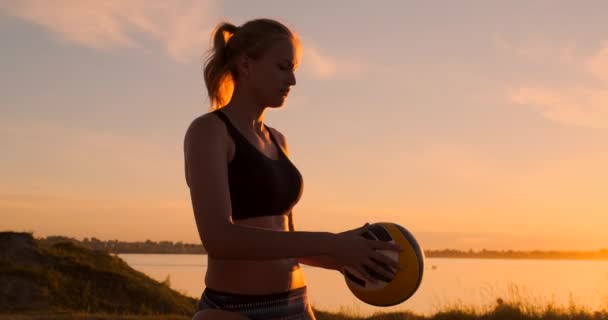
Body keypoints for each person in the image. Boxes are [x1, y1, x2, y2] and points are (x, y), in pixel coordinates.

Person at [184, 18, 402, 320]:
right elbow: (219, 238)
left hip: (297, 305)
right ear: (246, 64)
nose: (292, 81)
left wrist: (342, 255)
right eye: (283, 67)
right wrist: (331, 242)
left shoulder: (278, 140)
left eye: (294, 70)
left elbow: (284, 239)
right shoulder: (209, 132)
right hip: (235, 310)